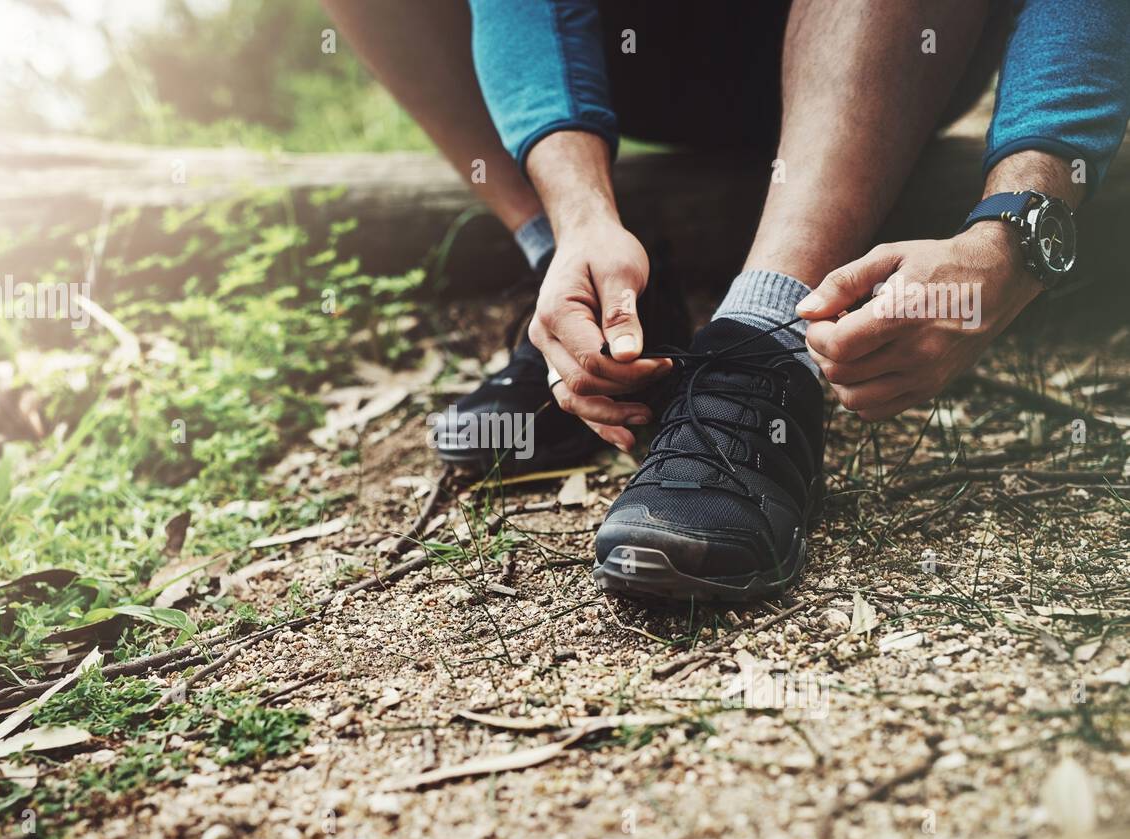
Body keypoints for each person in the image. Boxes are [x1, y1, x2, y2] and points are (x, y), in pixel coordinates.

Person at [322, 0, 1130, 601]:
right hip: (650, 51)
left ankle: (765, 337)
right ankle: (598, 290)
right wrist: (579, 220)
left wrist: (1019, 228)